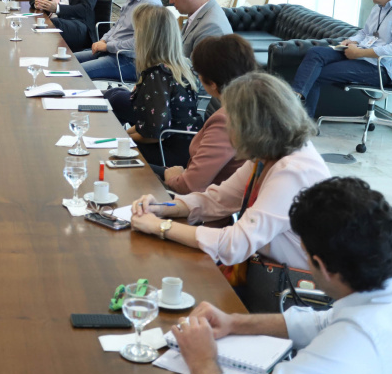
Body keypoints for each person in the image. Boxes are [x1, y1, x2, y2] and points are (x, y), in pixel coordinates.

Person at [171, 176, 392, 374]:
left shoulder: (347, 347)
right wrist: (234, 322)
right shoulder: (377, 299)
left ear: (321, 265)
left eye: (305, 254)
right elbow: (321, 321)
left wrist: (202, 360)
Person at [130, 72, 330, 270]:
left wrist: (160, 227)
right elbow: (217, 199)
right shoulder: (269, 154)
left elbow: (235, 244)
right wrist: (162, 207)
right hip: (264, 269)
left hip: (289, 287)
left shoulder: (292, 172)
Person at [104, 4, 204, 167]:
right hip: (185, 148)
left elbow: (155, 134)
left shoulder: (157, 75)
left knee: (106, 154)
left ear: (148, 39)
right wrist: (120, 135)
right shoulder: (181, 67)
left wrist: (119, 140)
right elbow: (148, 124)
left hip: (167, 153)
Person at [292, 0, 392, 117]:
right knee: (315, 52)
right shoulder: (378, 7)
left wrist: (360, 52)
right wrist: (351, 41)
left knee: (315, 74)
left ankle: (302, 122)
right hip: (359, 53)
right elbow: (365, 32)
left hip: (380, 68)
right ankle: (295, 97)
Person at [159, 34, 257, 193]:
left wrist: (172, 176)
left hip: (203, 202)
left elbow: (189, 186)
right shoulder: (254, 105)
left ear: (211, 83)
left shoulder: (225, 120)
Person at [74, 0, 162, 80]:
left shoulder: (150, 5)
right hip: (112, 53)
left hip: (130, 61)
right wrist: (104, 40)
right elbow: (118, 26)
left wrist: (108, 46)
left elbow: (139, 43)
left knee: (76, 73)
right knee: (68, 61)